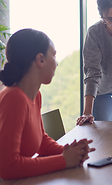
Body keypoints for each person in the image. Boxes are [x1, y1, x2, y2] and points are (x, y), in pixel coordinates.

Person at [0, 29, 95, 180]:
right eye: (54, 55)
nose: (56, 63)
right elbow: (7, 167)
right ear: (40, 60)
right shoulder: (14, 98)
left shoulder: (35, 95)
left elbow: (41, 141)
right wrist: (64, 160)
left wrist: (70, 152)